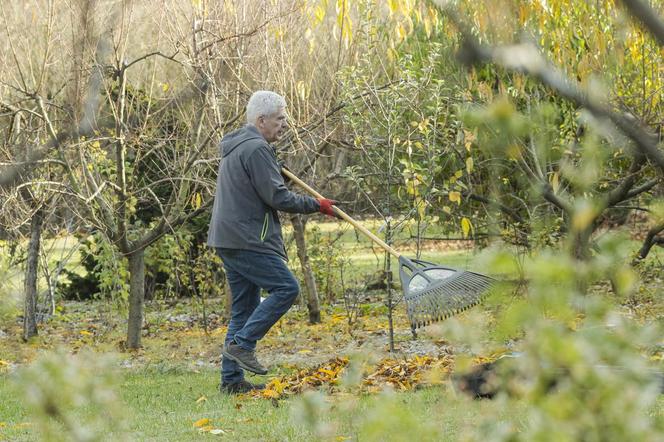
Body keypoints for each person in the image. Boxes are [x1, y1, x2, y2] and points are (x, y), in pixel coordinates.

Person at [207, 90, 338, 394]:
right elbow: (277, 197)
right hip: (248, 238)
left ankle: (231, 381)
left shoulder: (240, 146)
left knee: (244, 307)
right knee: (287, 288)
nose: (284, 124)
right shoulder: (256, 149)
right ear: (261, 120)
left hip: (228, 237)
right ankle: (243, 344)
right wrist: (317, 205)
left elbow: (261, 188)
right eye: (280, 119)